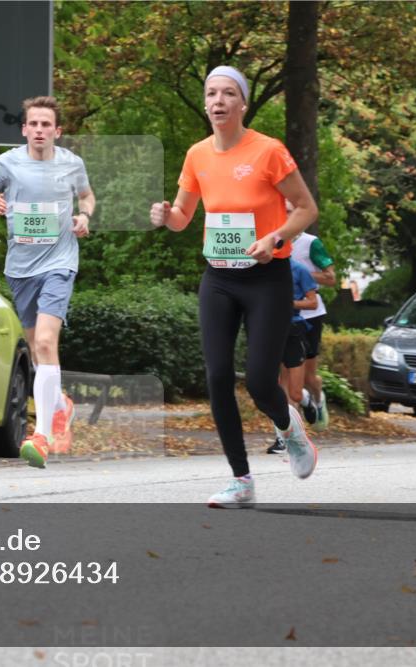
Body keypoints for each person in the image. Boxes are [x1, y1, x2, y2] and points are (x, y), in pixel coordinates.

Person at [150, 65, 319, 508]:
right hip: (220, 278)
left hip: (267, 278)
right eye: (211, 93)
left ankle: (290, 429)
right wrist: (166, 216)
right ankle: (241, 480)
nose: (219, 101)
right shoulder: (197, 155)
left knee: (263, 382)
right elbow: (183, 218)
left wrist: (275, 238)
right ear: (205, 103)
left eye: (228, 93)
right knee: (218, 376)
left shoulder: (268, 151)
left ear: (242, 103)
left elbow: (305, 208)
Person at [0, 96, 95, 469]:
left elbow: (87, 197)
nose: (40, 130)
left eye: (47, 125)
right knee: (35, 348)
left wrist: (84, 216)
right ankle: (60, 404)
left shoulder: (72, 164)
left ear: (57, 131)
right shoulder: (7, 163)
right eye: (33, 124)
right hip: (20, 268)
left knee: (44, 341)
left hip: (59, 263)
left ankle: (41, 435)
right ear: (24, 129)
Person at [270, 260, 319, 454]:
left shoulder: (299, 269)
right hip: (270, 330)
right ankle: (282, 439)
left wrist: (289, 303)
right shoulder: (262, 268)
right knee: (276, 388)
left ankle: (306, 400)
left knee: (295, 393)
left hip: (293, 331)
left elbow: (313, 302)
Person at [292, 229, 337, 431]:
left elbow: (330, 278)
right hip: (284, 313)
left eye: (289, 211)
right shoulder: (272, 237)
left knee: (308, 377)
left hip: (310, 313)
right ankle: (291, 429)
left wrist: (299, 272)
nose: (284, 214)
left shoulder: (311, 243)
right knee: (285, 375)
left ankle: (317, 399)